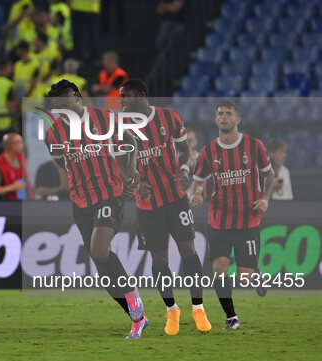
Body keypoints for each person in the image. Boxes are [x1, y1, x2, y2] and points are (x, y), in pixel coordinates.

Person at [44, 79, 148, 339]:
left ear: (78, 97)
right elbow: (62, 162)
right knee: (103, 272)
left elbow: (131, 144)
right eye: (59, 107)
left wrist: (131, 169)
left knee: (99, 249)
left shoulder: (105, 119)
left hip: (110, 194)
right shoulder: (52, 135)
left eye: (67, 102)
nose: (64, 108)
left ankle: (134, 299)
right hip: (80, 201)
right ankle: (137, 318)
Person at [120, 79, 211, 335]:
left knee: (189, 251)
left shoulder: (169, 118)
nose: (123, 101)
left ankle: (198, 307)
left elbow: (184, 151)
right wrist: (137, 181)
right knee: (159, 260)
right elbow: (123, 164)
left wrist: (184, 171)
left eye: (126, 96)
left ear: (141, 95)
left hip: (175, 196)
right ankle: (172, 310)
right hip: (147, 203)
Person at [190, 100, 275, 330]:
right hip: (218, 221)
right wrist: (194, 195)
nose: (224, 117)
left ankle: (255, 274)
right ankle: (231, 317)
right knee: (219, 269)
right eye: (220, 113)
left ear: (237, 119)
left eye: (228, 113)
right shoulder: (208, 152)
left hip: (248, 220)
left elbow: (269, 176)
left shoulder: (254, 146)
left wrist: (265, 198)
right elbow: (197, 183)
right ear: (216, 119)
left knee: (244, 276)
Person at [0, 133, 32, 200]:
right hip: (9, 204)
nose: (22, 146)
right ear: (12, 146)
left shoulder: (23, 158)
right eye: (20, 143)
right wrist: (11, 188)